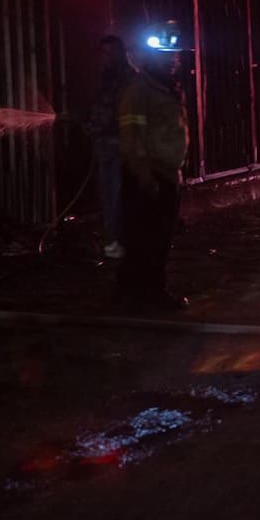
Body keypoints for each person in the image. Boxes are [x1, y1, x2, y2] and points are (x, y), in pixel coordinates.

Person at [116, 22, 189, 312]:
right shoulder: (139, 91)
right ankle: (149, 294)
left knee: (155, 238)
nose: (172, 61)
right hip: (148, 176)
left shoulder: (168, 89)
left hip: (167, 174)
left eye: (175, 56)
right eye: (166, 57)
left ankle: (130, 294)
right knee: (147, 239)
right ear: (151, 59)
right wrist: (145, 177)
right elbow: (132, 139)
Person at [87, 35, 134, 260]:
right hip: (107, 148)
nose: (104, 58)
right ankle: (117, 240)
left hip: (120, 149)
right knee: (109, 196)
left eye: (108, 53)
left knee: (117, 197)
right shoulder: (108, 78)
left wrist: (92, 125)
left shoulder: (126, 80)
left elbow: (113, 114)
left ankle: (122, 242)